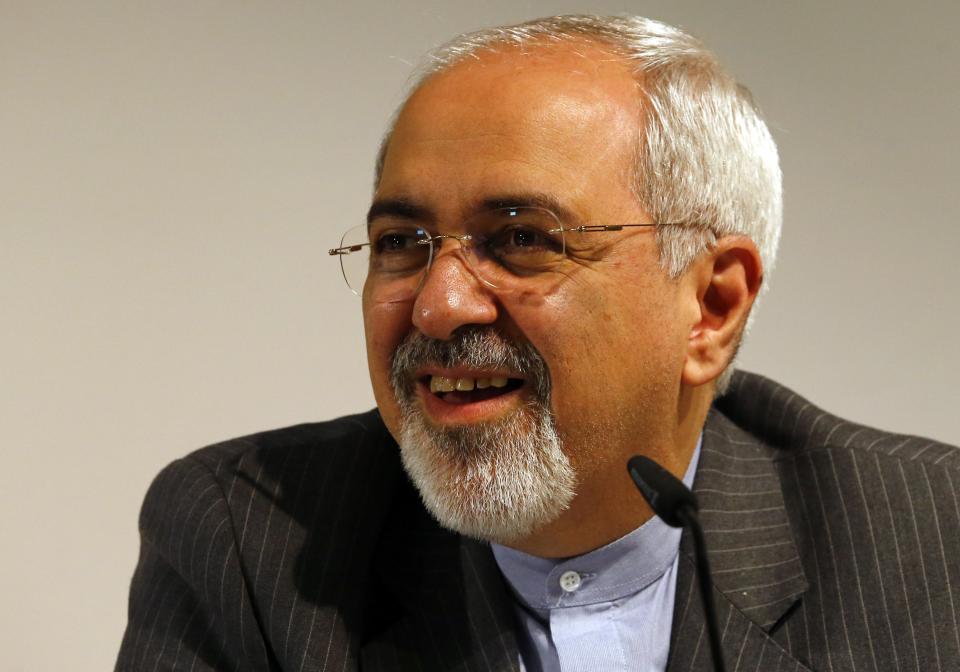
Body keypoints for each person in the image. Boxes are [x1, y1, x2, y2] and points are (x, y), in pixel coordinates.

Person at [116, 14, 959, 672]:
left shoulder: (929, 541)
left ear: (711, 304)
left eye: (521, 240)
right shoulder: (248, 540)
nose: (439, 308)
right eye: (403, 242)